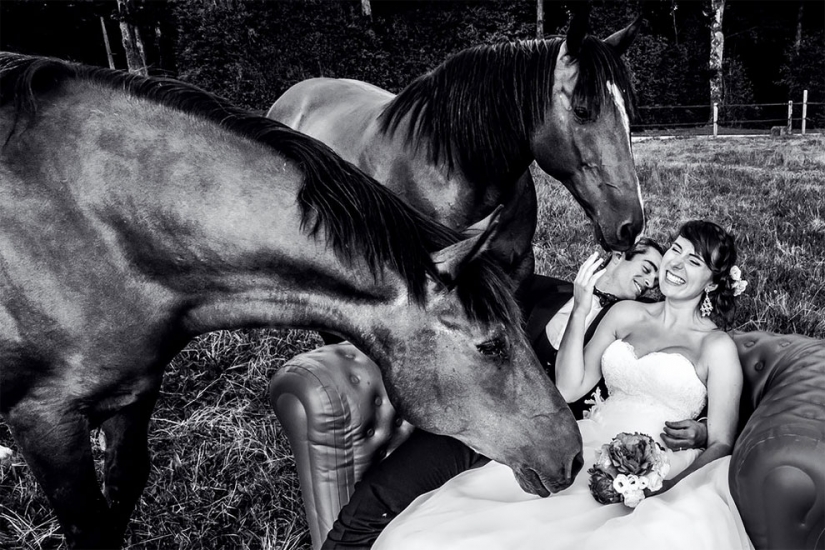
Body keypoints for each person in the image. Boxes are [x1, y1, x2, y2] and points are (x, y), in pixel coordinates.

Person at [373, 220, 751, 550]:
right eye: (677, 250)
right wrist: (582, 309)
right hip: (591, 442)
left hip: (665, 465)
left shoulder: (716, 347)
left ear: (714, 281)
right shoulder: (625, 314)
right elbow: (570, 388)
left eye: (694, 262)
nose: (676, 265)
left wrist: (667, 489)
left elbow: (721, 441)